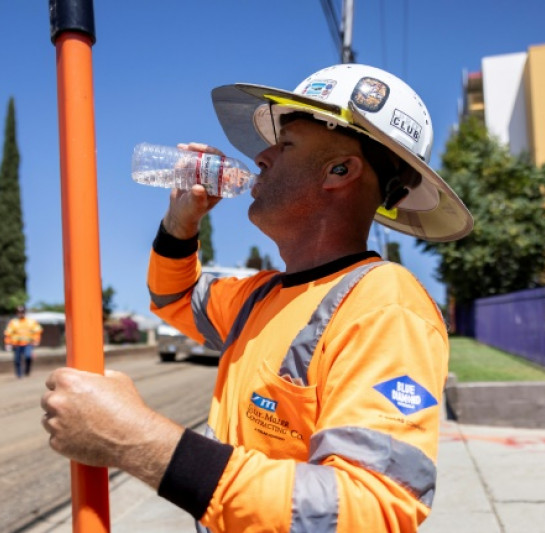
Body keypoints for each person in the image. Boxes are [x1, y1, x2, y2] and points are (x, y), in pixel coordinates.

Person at [41, 64, 474, 532]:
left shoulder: (386, 307)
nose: (262, 157)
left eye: (286, 144)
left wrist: (137, 439)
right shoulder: (262, 295)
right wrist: (180, 223)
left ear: (341, 170)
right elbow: (174, 297)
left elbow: (370, 508)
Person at [4, 306, 43, 378]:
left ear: (25, 312)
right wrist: (8, 343)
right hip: (16, 344)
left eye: (22, 312)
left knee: (28, 357)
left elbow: (37, 331)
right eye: (18, 312)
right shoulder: (13, 322)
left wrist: (36, 340)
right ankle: (19, 374)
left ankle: (27, 371)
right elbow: (8, 334)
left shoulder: (31, 321)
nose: (20, 314)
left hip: (28, 343)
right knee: (17, 360)